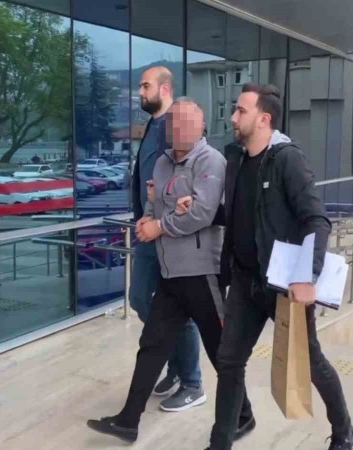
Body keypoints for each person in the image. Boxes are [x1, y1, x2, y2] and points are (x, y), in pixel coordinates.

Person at [86, 98, 256, 444]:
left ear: (200, 126)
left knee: (222, 353)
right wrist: (148, 216)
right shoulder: (163, 163)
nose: (177, 128)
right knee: (151, 345)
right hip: (170, 274)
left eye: (185, 122)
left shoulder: (211, 161)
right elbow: (158, 204)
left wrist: (159, 227)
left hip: (202, 274)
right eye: (172, 122)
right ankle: (128, 421)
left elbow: (203, 213)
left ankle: (243, 416)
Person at [206, 84, 353, 450]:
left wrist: (308, 277)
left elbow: (316, 219)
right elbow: (242, 215)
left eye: (240, 111)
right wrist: (201, 210)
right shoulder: (236, 158)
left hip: (284, 287)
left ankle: (346, 433)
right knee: (229, 362)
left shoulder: (287, 160)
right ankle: (219, 444)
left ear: (264, 119)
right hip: (245, 282)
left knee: (310, 362)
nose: (233, 117)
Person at [128, 66, 204, 410]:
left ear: (164, 88)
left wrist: (167, 219)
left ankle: (192, 383)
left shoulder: (178, 126)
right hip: (147, 230)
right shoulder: (153, 125)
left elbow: (192, 179)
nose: (140, 92)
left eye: (145, 86)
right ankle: (176, 365)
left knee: (178, 309)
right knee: (140, 298)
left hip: (171, 233)